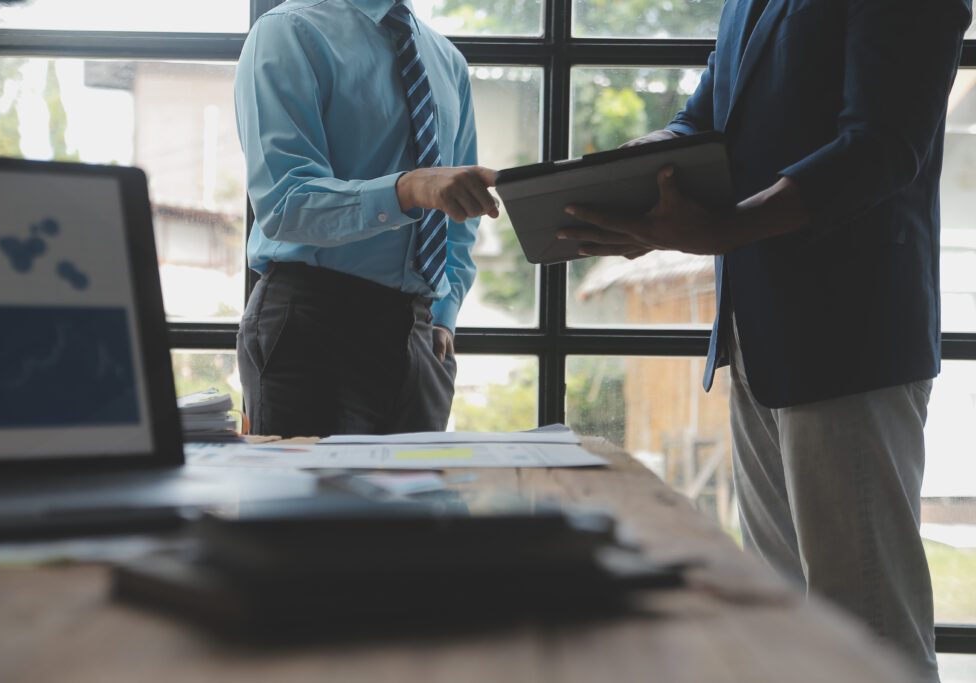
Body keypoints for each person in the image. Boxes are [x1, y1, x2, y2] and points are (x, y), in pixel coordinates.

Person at [557, 1, 973, 680]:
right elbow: (705, 123)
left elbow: (882, 146)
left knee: (867, 635)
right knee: (784, 624)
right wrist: (637, 177)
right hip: (757, 338)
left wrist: (726, 229)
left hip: (850, 342)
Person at [234, 0, 499, 437]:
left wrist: (444, 314)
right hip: (313, 327)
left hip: (420, 335)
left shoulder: (447, 60)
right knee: (311, 504)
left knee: (419, 504)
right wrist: (408, 189)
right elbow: (285, 203)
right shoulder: (288, 32)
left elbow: (461, 213)